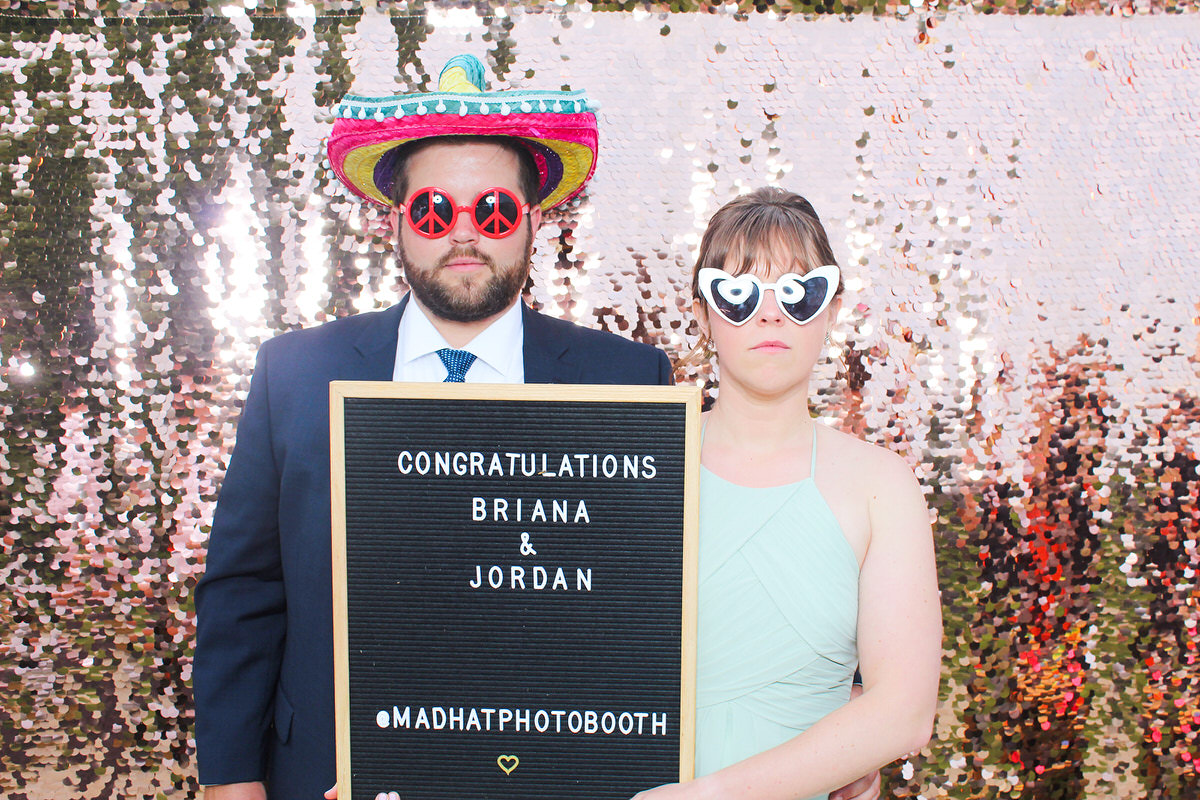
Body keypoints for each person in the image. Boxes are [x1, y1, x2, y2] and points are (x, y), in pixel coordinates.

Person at [191, 55, 675, 800]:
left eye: (494, 211)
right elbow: (244, 591)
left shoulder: (626, 381)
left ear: (534, 222)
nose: (463, 234)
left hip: (551, 777)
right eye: (432, 211)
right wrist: (231, 780)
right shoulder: (293, 375)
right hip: (328, 771)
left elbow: (663, 594)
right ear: (394, 223)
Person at [630, 188, 942, 800]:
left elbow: (904, 709)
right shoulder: (637, 467)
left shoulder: (882, 488)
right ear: (703, 313)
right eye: (738, 294)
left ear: (831, 310)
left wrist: (710, 797)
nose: (770, 316)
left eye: (799, 294)